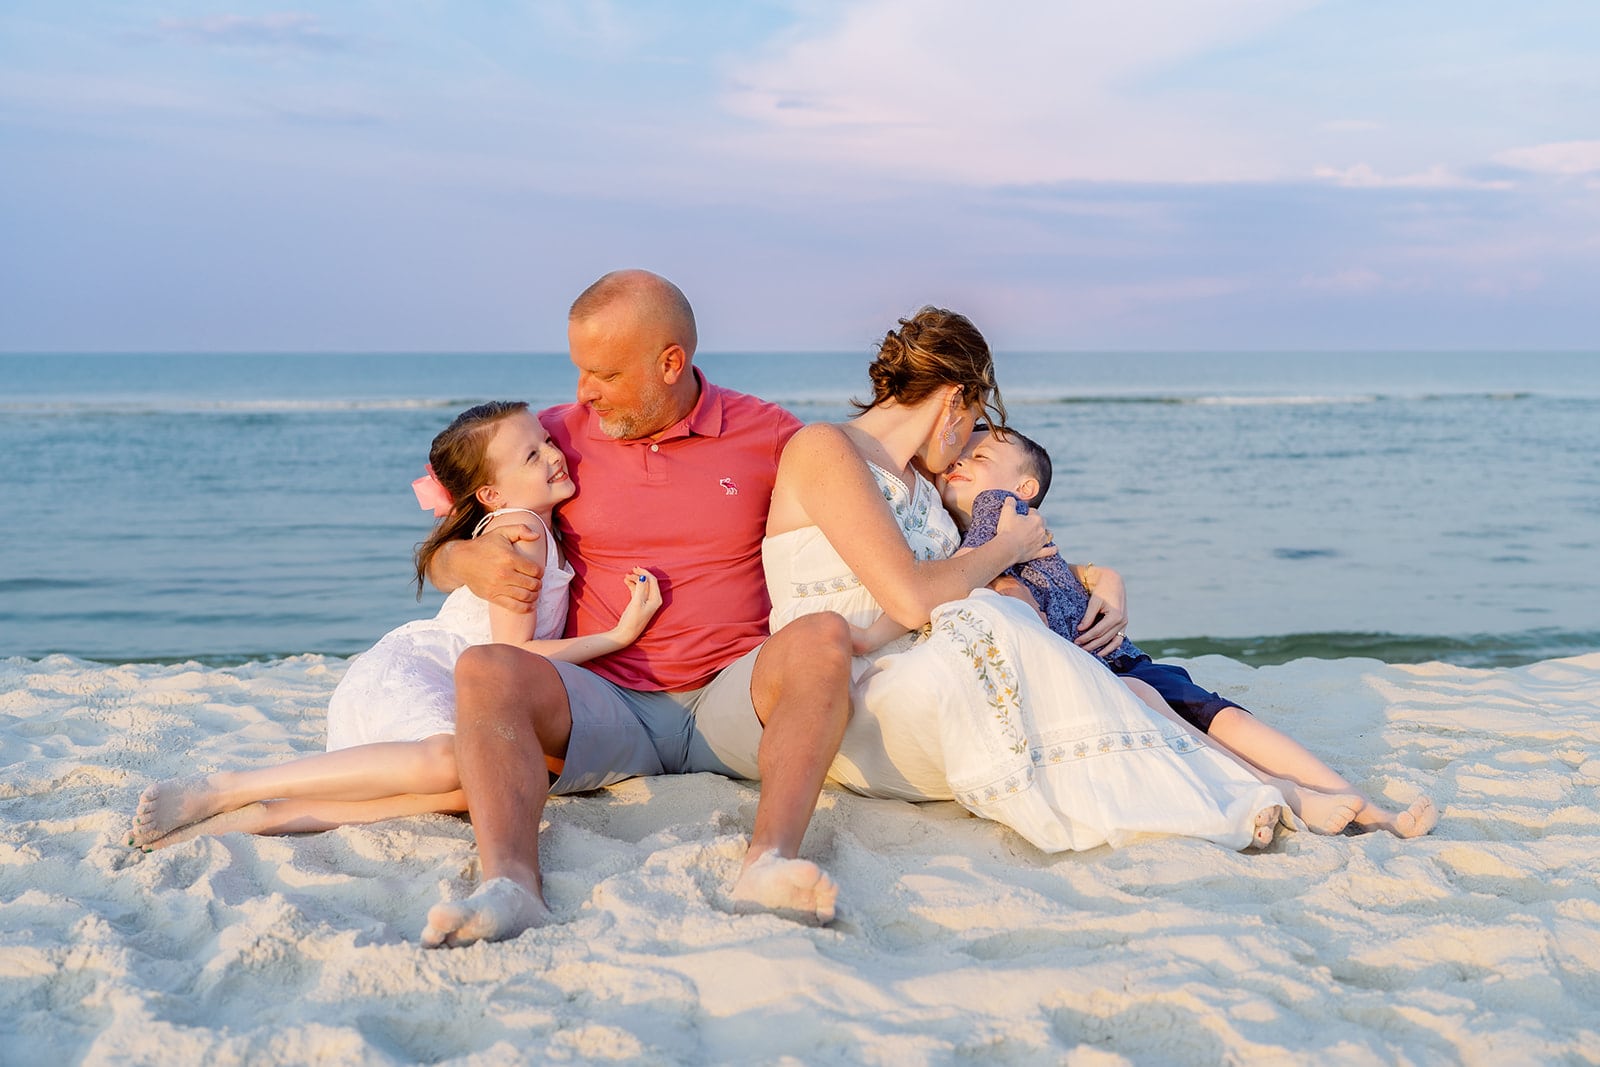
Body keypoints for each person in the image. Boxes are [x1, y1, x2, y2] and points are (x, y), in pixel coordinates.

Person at [418, 270, 855, 948]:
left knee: (824, 636)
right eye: (579, 370)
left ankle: (767, 861)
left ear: (670, 363)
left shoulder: (769, 433)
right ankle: (512, 884)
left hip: (731, 697)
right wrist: (465, 561)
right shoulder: (554, 439)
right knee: (485, 668)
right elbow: (441, 540)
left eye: (604, 373)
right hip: (607, 704)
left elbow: (882, 510)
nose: (582, 391)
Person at [764, 306, 1290, 854]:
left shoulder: (923, 481)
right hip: (843, 690)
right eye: (975, 420)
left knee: (1096, 672)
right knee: (1033, 639)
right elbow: (914, 593)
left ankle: (1252, 783)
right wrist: (1007, 548)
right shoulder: (828, 447)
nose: (964, 447)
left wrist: (1099, 576)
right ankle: (1239, 789)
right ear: (955, 400)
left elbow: (985, 570)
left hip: (926, 658)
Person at [127, 402, 663, 850]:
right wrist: (616, 638)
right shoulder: (520, 531)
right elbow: (513, 652)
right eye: (531, 454)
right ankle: (228, 789)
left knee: (474, 789)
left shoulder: (531, 522)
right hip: (424, 672)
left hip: (460, 683)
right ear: (492, 496)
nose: (552, 455)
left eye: (547, 440)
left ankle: (268, 816)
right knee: (452, 764)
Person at [937, 426, 1440, 838]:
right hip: (1116, 664)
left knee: (1215, 719)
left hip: (1099, 661)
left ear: (1024, 488)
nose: (959, 462)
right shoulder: (1007, 525)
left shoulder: (996, 511)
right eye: (958, 455)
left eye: (977, 455)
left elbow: (969, 570)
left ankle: (1341, 804)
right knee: (1219, 718)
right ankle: (1356, 807)